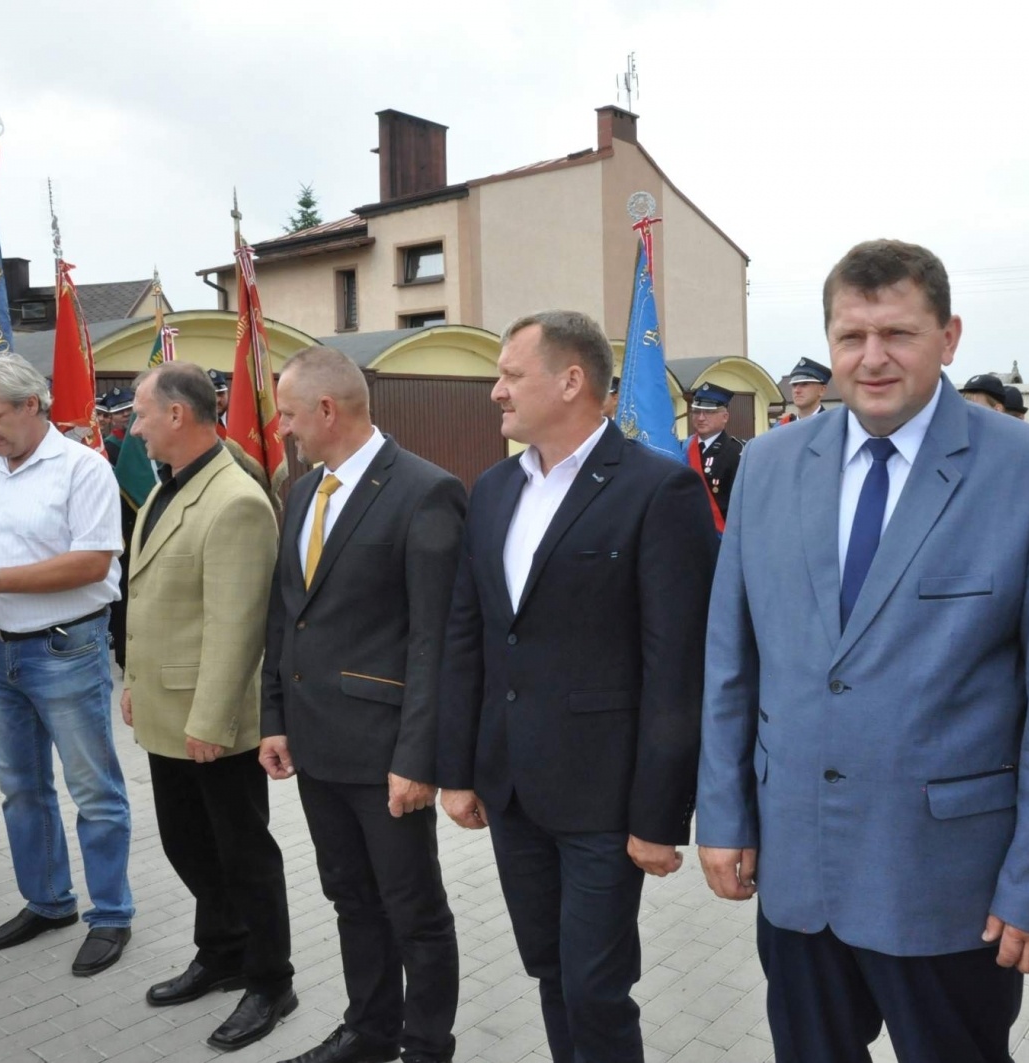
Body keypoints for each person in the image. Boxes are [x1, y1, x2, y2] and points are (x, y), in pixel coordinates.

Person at [696, 239, 1029, 1063]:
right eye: (851, 337)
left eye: (899, 334)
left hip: (950, 886)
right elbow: (731, 659)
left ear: (948, 337)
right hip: (799, 870)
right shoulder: (769, 467)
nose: (872, 357)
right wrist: (725, 812)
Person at [437, 310, 718, 1063]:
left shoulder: (660, 490)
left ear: (571, 381)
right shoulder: (494, 489)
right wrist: (458, 768)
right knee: (550, 969)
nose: (496, 392)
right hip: (511, 787)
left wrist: (661, 814)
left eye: (509, 375)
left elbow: (675, 665)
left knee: (596, 984)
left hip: (604, 792)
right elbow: (470, 636)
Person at [261, 347, 465, 1063]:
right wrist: (274, 717)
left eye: (288, 414)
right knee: (351, 897)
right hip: (317, 745)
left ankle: (426, 1045)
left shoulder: (424, 491)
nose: (281, 428)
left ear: (327, 410)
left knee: (414, 911)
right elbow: (287, 616)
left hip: (385, 754)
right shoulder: (300, 490)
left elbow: (432, 639)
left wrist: (419, 757)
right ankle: (369, 1031)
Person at [0, 352, 134, 977]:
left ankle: (112, 915)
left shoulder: (84, 468)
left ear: (32, 405)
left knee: (93, 790)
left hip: (64, 647)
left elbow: (93, 564)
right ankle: (48, 902)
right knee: (22, 790)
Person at [122, 363, 293, 1051]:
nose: (132, 428)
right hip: (167, 704)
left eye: (139, 414)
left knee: (243, 851)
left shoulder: (234, 499)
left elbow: (236, 623)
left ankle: (270, 980)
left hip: (209, 718)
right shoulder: (170, 486)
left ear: (176, 416)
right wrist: (133, 680)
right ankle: (221, 950)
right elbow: (149, 598)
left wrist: (213, 719)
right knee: (186, 842)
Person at [685, 380, 745, 533]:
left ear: (725, 417)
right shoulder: (682, 448)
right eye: (697, 411)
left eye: (709, 412)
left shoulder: (736, 452)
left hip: (718, 536)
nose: (701, 418)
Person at [777, 357, 832, 426]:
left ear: (822, 390)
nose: (797, 390)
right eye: (794, 385)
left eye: (805, 384)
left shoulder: (832, 424)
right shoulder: (783, 426)